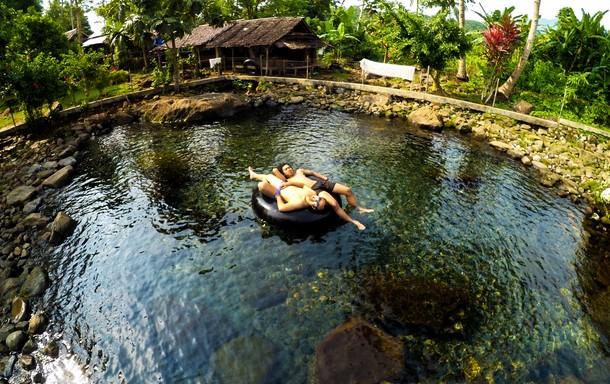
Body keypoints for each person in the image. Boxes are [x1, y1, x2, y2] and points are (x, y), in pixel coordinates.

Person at [248, 167, 366, 230]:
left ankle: (258, 178)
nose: (315, 200)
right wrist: (353, 221)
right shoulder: (311, 193)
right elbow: (303, 185)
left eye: (315, 203)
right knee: (269, 175)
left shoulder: (300, 203)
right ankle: (254, 175)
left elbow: (281, 207)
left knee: (262, 185)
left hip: (279, 191)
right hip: (286, 186)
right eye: (318, 199)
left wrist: (278, 193)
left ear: (312, 207)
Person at [272, 163, 373, 213]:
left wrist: (323, 177)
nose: (289, 169)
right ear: (283, 174)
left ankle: (358, 208)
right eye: (286, 169)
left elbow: (312, 172)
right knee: (334, 204)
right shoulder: (287, 181)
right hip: (315, 190)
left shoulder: (299, 171)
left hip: (322, 183)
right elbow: (274, 170)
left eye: (289, 167)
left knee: (347, 190)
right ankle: (344, 217)